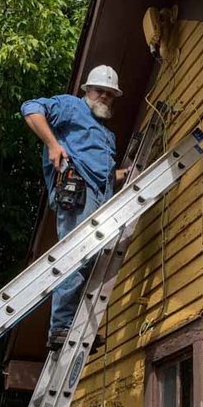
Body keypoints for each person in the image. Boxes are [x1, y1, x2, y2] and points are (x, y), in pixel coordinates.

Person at [21, 65, 125, 350]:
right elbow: (30, 108)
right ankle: (61, 328)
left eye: (110, 94)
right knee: (75, 259)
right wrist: (53, 145)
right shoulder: (70, 107)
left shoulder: (107, 135)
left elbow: (105, 175)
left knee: (90, 264)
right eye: (99, 91)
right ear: (87, 90)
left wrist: (124, 175)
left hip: (100, 200)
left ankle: (75, 329)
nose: (104, 96)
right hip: (77, 193)